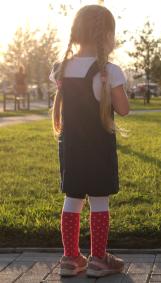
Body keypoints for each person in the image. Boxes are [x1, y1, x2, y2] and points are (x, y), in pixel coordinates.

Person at [49, 5, 129, 278]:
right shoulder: (109, 70)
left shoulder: (61, 69)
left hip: (70, 147)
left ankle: (70, 259)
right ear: (107, 34)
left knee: (72, 199)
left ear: (75, 31)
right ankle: (97, 259)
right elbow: (123, 108)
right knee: (99, 200)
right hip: (98, 147)